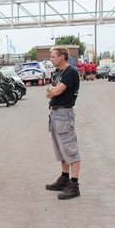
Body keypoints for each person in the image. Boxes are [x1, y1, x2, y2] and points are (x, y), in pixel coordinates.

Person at [45, 45, 81, 200]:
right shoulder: (58, 73)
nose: (51, 59)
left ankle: (74, 184)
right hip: (55, 113)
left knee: (70, 149)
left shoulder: (70, 72)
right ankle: (64, 178)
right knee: (60, 149)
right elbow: (49, 92)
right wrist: (52, 90)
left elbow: (56, 91)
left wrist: (53, 90)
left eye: (53, 56)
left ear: (62, 57)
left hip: (64, 113)